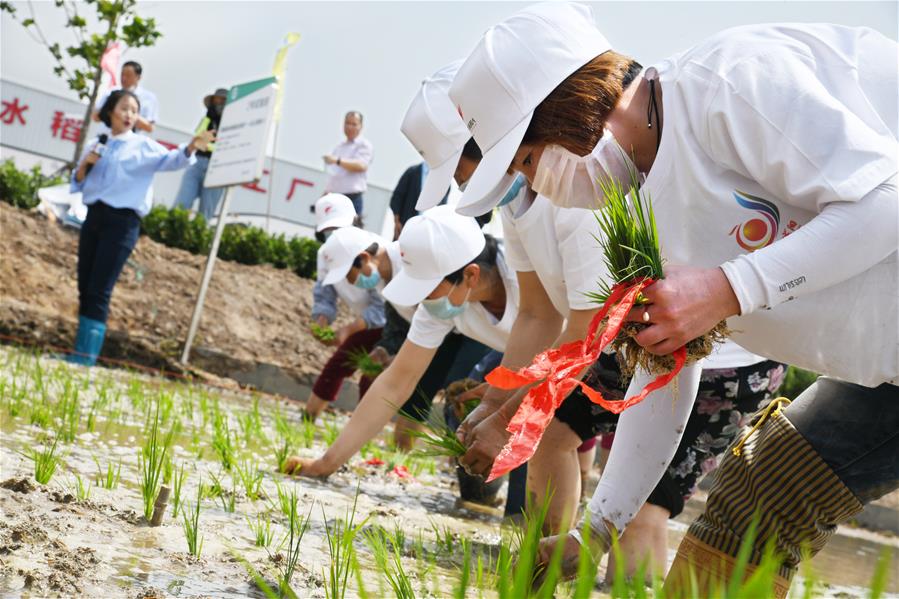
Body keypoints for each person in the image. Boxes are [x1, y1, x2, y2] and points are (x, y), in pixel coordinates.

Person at [449, 2, 897, 593]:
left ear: (572, 108)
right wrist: (596, 532)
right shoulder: (639, 217)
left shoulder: (730, 80)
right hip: (881, 371)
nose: (535, 186)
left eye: (528, 162)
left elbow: (885, 201)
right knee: (757, 498)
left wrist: (727, 288)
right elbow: (666, 370)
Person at [409, 58, 787, 579]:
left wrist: (507, 420)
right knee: (554, 435)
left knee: (642, 509)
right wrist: (498, 403)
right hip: (644, 342)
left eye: (465, 167)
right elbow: (538, 316)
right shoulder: (522, 204)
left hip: (723, 355)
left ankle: (617, 582)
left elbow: (586, 333)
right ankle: (544, 575)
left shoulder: (580, 196)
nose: (463, 183)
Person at [282, 206, 517, 479]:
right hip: (527, 368)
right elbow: (396, 382)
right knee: (474, 438)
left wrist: (504, 398)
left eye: (427, 288)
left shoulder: (525, 277)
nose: (423, 300)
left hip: (570, 364)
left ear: (470, 276)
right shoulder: (439, 304)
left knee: (549, 443)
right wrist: (325, 464)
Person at [68, 90, 214, 366]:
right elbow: (76, 182)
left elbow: (173, 160)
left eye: (134, 111)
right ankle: (77, 351)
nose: (129, 115)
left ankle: (85, 359)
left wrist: (192, 146)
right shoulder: (96, 145)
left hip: (122, 223)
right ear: (111, 111)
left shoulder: (142, 145)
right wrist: (86, 165)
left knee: (100, 288)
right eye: (124, 108)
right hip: (94, 217)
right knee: (85, 284)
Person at [306, 196, 387, 422]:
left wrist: (348, 330)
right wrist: (320, 320)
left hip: (389, 322)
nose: (334, 234)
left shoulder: (372, 249)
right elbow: (325, 293)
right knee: (339, 366)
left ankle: (363, 431)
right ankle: (309, 419)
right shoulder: (325, 254)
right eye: (329, 229)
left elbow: (381, 307)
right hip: (366, 322)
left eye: (338, 228)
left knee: (370, 374)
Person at [173, 88, 227, 222]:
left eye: (222, 101)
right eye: (217, 100)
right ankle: (172, 229)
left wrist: (207, 144)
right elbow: (197, 139)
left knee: (206, 212)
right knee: (182, 203)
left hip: (217, 168)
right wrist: (205, 143)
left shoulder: (232, 125)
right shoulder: (207, 120)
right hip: (197, 162)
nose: (218, 104)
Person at [323, 111, 373, 217]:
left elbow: (361, 166)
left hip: (351, 199)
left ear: (361, 126)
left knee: (347, 232)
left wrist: (337, 161)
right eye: (347, 123)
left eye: (354, 124)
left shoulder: (364, 145)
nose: (350, 127)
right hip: (333, 197)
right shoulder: (339, 146)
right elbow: (335, 174)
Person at [92, 61, 159, 134]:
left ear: (138, 77)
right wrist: (108, 112)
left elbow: (150, 127)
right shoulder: (111, 92)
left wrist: (129, 117)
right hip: (105, 138)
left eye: (128, 75)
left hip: (129, 142)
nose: (124, 78)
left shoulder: (148, 98)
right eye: (122, 74)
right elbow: (96, 117)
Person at [389, 162, 448, 240]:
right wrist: (396, 223)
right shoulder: (412, 172)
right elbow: (396, 198)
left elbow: (442, 208)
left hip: (427, 233)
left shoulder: (444, 180)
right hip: (405, 227)